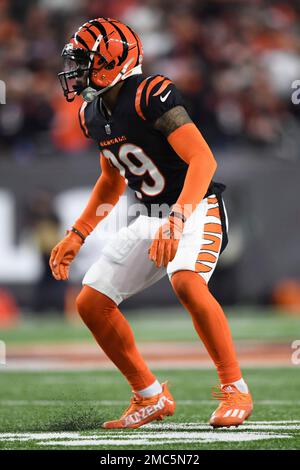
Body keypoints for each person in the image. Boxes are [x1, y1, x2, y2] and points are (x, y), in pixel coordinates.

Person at [49, 17, 253, 429]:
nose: (76, 72)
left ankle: (235, 388)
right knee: (92, 302)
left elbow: (203, 159)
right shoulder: (93, 113)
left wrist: (178, 219)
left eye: (84, 61)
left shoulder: (150, 94)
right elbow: (110, 183)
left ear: (112, 61)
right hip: (151, 216)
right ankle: (149, 394)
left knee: (187, 281)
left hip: (196, 209)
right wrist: (78, 233)